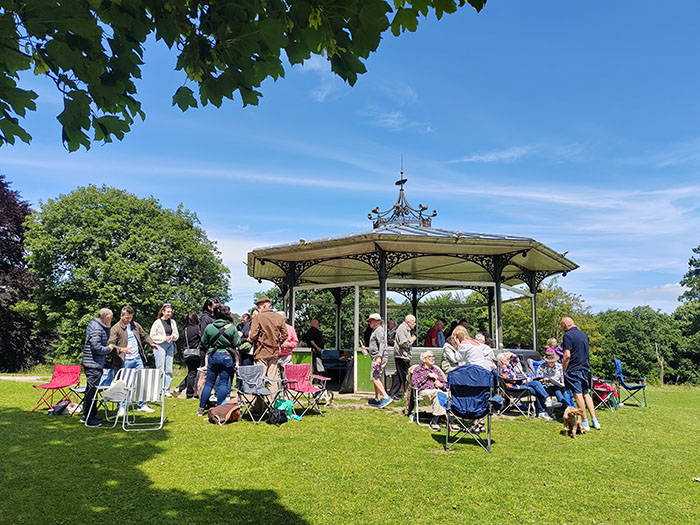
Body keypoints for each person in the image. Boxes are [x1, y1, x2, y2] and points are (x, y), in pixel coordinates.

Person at [108, 305, 159, 413]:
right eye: (127, 318)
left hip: (137, 358)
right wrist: (121, 349)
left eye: (131, 317)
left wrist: (151, 343)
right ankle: (121, 406)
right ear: (121, 316)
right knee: (123, 383)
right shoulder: (115, 328)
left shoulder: (135, 325)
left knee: (142, 381)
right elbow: (110, 345)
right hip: (125, 360)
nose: (129, 320)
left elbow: (144, 335)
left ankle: (142, 405)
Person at [197, 305, 240, 416]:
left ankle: (201, 409)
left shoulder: (209, 327)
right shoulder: (232, 327)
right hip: (226, 356)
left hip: (213, 355)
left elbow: (204, 341)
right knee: (223, 384)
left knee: (209, 383)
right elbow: (237, 343)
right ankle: (219, 408)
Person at [561, 316, 600, 431]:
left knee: (578, 395)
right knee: (586, 394)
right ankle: (595, 420)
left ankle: (584, 421)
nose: (562, 328)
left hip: (574, 368)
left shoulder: (568, 336)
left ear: (566, 325)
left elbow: (567, 355)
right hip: (585, 368)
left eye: (562, 325)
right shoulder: (584, 335)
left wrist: (564, 369)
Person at [248, 297, 288, 407]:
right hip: (274, 352)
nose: (257, 308)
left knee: (259, 379)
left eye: (259, 305)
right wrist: (277, 342)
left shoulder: (258, 317)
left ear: (264, 305)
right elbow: (285, 335)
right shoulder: (279, 317)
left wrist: (249, 340)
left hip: (260, 352)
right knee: (273, 379)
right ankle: (274, 405)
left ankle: (259, 407)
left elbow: (253, 335)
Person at [498, 352, 555, 420]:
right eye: (507, 359)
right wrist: (525, 380)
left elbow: (516, 360)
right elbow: (513, 380)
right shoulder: (503, 370)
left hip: (519, 385)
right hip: (514, 388)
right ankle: (544, 406)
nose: (509, 360)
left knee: (537, 386)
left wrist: (511, 354)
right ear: (502, 361)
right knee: (537, 386)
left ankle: (543, 410)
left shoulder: (509, 366)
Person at [81, 308, 113, 427]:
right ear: (106, 317)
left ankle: (86, 415)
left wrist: (108, 327)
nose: (111, 320)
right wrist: (109, 349)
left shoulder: (95, 324)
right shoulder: (97, 328)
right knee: (92, 392)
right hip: (93, 364)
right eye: (110, 318)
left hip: (92, 363)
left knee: (90, 390)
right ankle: (90, 418)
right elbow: (96, 347)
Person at [411, 350, 451, 431]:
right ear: (423, 359)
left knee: (450, 394)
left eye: (433, 357)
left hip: (438, 392)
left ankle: (452, 421)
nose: (432, 358)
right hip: (424, 392)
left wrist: (441, 384)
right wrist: (427, 375)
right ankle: (434, 421)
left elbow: (446, 384)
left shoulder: (436, 370)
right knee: (438, 393)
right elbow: (415, 383)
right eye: (430, 357)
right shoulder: (418, 369)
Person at [150, 303, 179, 397]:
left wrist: (173, 337)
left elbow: (176, 335)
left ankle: (167, 389)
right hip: (160, 346)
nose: (169, 313)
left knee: (169, 368)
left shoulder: (173, 322)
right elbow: (152, 336)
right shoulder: (157, 322)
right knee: (160, 368)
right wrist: (164, 338)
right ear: (163, 311)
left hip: (170, 345)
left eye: (170, 312)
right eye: (168, 311)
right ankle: (159, 389)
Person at [365, 313, 392, 408]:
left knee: (374, 377)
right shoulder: (376, 330)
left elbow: (382, 344)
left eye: (371, 320)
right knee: (376, 377)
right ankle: (377, 398)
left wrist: (379, 357)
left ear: (378, 321)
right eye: (369, 321)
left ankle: (385, 396)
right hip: (376, 357)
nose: (369, 323)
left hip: (378, 357)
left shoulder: (379, 330)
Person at [387, 314, 416, 400]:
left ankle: (392, 394)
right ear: (408, 322)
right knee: (407, 376)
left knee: (398, 376)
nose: (415, 324)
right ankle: (409, 395)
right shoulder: (402, 328)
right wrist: (412, 340)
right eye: (414, 322)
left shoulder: (404, 329)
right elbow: (403, 343)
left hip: (401, 355)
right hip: (402, 356)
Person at [173, 311, 201, 398]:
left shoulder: (184, 329)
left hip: (187, 353)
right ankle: (190, 393)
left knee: (191, 372)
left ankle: (180, 388)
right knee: (193, 373)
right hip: (196, 352)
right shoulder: (197, 328)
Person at [278, 315, 299, 380]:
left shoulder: (290, 328)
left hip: (287, 356)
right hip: (275, 355)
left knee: (288, 377)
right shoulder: (273, 328)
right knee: (276, 378)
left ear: (284, 319)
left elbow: (295, 342)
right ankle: (277, 390)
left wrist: (288, 344)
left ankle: (287, 389)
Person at [199, 298, 218, 367]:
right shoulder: (205, 318)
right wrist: (209, 349)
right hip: (207, 350)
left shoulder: (215, 318)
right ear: (209, 307)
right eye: (215, 307)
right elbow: (203, 335)